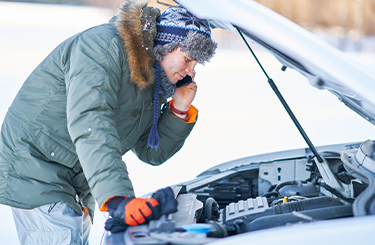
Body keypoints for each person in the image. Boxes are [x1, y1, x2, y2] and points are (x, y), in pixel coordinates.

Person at [0, 0, 217, 244]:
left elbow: (150, 151)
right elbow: (91, 120)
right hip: (37, 164)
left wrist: (178, 109)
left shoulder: (148, 78)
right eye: (188, 58)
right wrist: (117, 197)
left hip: (74, 177)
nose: (190, 71)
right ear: (167, 44)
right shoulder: (102, 48)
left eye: (196, 64)